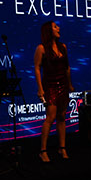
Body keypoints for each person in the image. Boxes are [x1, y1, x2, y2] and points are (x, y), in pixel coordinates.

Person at [34, 19, 71, 162]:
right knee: (50, 117)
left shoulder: (63, 47)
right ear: (49, 31)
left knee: (62, 116)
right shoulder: (41, 48)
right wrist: (40, 88)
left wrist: (70, 84)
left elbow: (67, 67)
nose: (58, 28)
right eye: (55, 27)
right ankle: (43, 150)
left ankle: (62, 148)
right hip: (50, 85)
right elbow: (37, 68)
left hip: (63, 84)